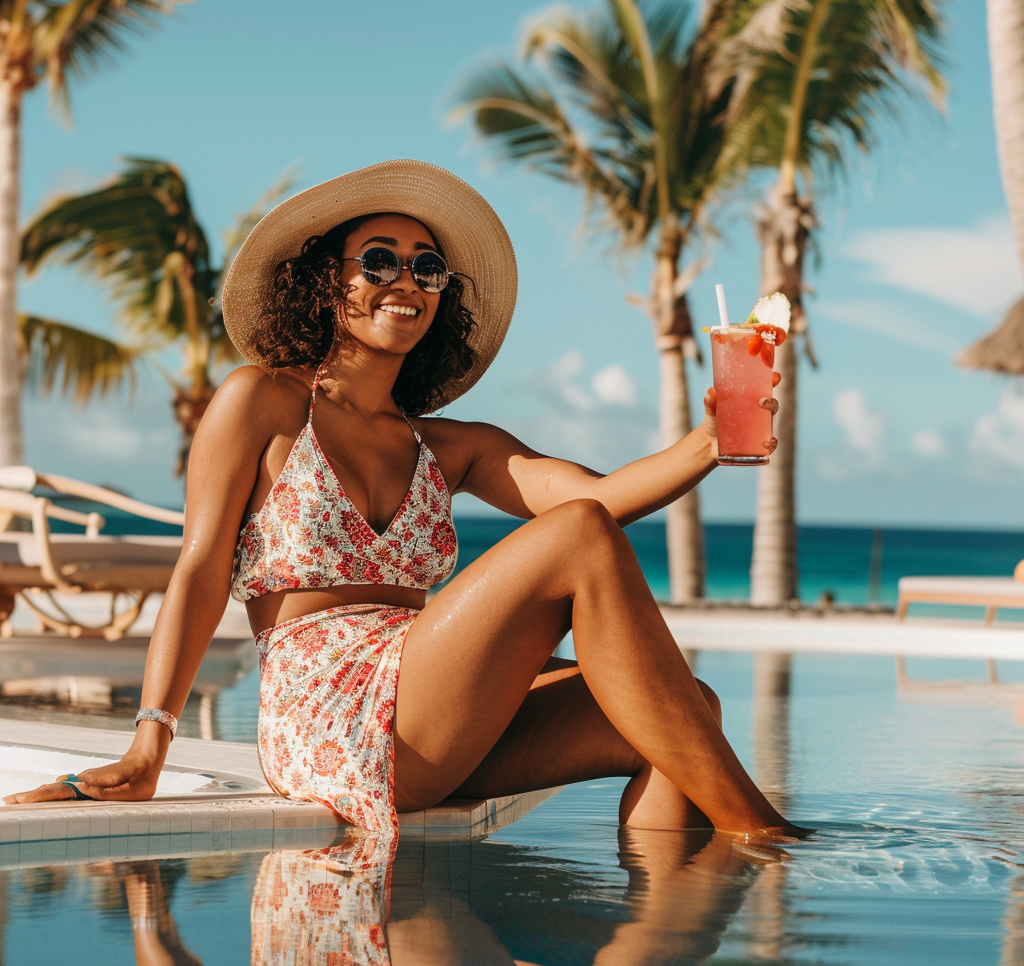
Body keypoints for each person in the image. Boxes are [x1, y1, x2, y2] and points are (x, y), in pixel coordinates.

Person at [5, 160, 796, 839]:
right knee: (580, 538)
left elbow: (600, 494)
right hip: (328, 710)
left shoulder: (450, 447)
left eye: (427, 268)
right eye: (378, 260)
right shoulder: (262, 403)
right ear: (328, 280)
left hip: (428, 706)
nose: (406, 282)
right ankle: (765, 837)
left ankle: (664, 925)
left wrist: (711, 439)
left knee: (683, 712)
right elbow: (201, 568)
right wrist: (150, 745)